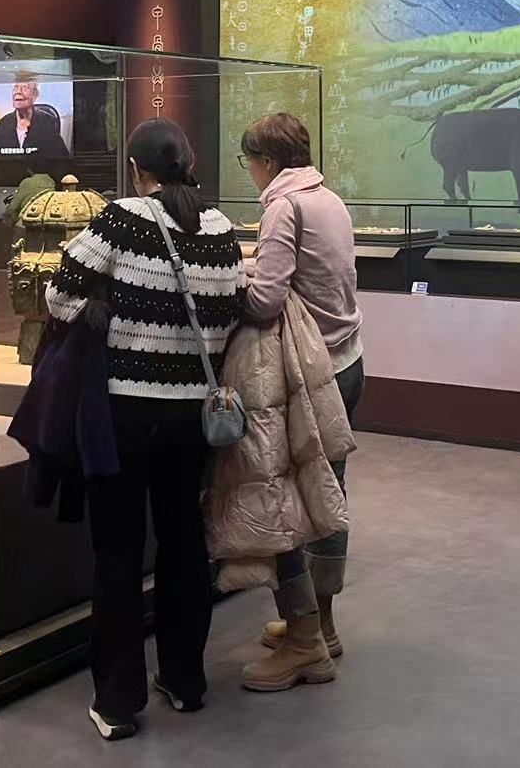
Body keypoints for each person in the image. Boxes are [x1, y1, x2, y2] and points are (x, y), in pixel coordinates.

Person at [44, 118, 244, 742]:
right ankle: (185, 680)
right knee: (184, 544)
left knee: (119, 553)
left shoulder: (121, 220)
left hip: (123, 415)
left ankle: (117, 701)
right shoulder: (221, 227)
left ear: (136, 169)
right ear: (188, 163)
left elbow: (58, 296)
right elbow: (232, 310)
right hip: (193, 419)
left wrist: (105, 313)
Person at [237, 111, 364, 690]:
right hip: (348, 362)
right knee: (329, 495)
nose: (249, 172)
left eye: (248, 162)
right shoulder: (328, 198)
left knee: (288, 502)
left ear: (266, 161)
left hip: (311, 377)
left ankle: (305, 642)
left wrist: (232, 285)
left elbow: (266, 301)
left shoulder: (283, 207)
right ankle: (321, 624)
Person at [0, 74, 69, 171]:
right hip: (10, 177)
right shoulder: (5, 122)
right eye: (16, 87)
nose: (18, 92)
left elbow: (61, 159)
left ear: (35, 95)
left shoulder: (47, 121)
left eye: (25, 87)